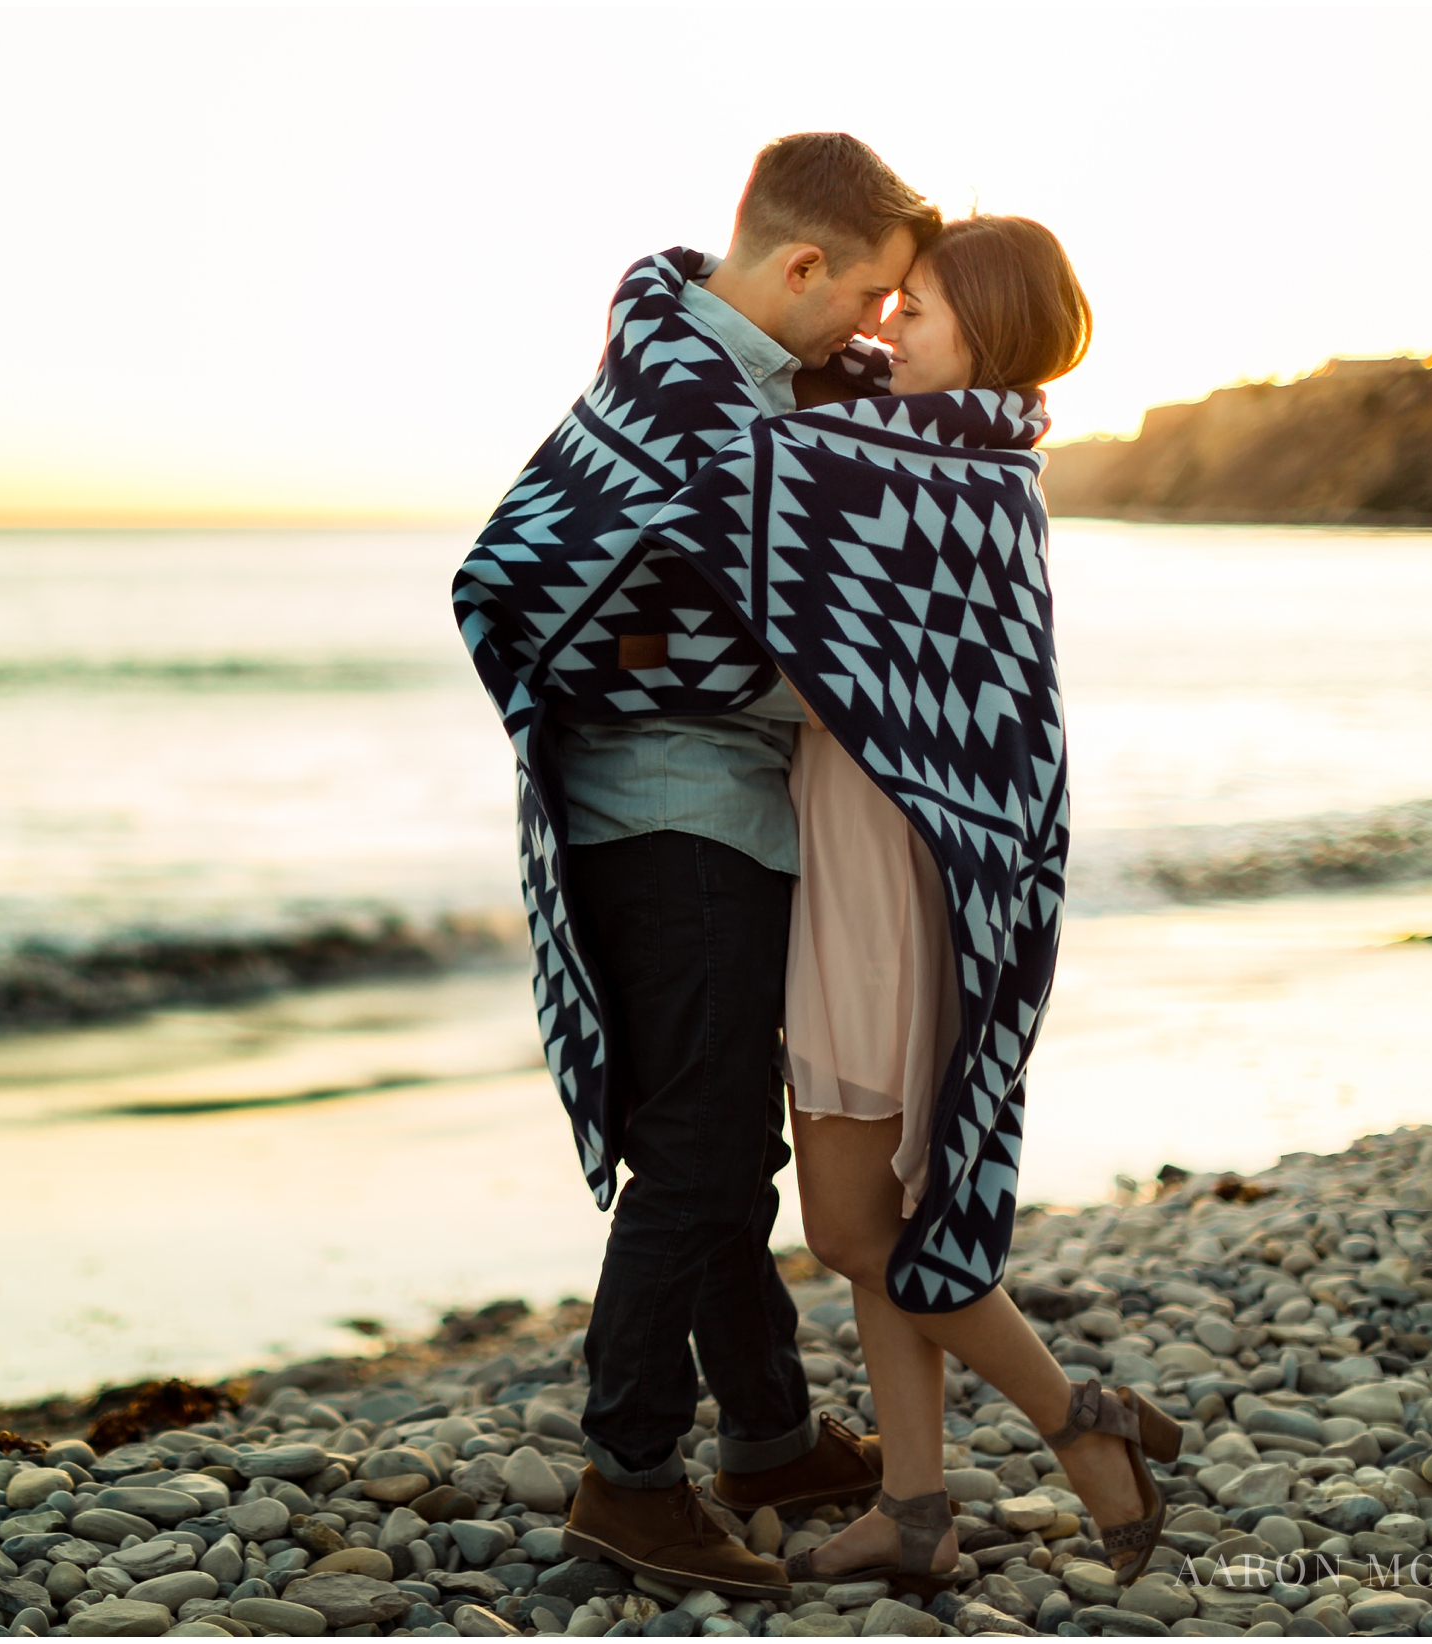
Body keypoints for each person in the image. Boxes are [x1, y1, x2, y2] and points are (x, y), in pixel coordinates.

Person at [536, 136, 940, 1599]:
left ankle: (766, 1436)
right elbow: (527, 574)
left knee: (715, 1142)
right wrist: (680, 673)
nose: (881, 327)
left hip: (716, 809)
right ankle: (627, 1477)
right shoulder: (693, 397)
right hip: (669, 813)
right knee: (703, 1154)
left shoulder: (759, 380)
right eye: (876, 296)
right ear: (803, 265)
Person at [773, 216, 1183, 1595]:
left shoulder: (962, 480)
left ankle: (1077, 1424)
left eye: (922, 312)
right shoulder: (913, 449)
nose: (890, 330)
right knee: (859, 1222)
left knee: (860, 1220)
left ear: (988, 335)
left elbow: (742, 497)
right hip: (851, 847)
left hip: (909, 869)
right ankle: (921, 1504)